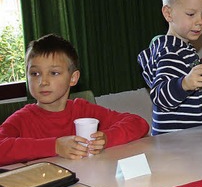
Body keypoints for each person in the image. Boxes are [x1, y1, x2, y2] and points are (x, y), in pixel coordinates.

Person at [0, 34, 149, 166]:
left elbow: (138, 123)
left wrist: (107, 138)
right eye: (35, 73)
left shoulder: (83, 110)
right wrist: (55, 146)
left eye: (53, 73)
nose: (43, 81)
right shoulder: (23, 118)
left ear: (73, 78)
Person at [137, 0, 202, 135]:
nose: (200, 21)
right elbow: (160, 96)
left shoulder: (185, 50)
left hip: (188, 141)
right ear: (168, 14)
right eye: (191, 14)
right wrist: (185, 84)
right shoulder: (171, 52)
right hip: (176, 144)